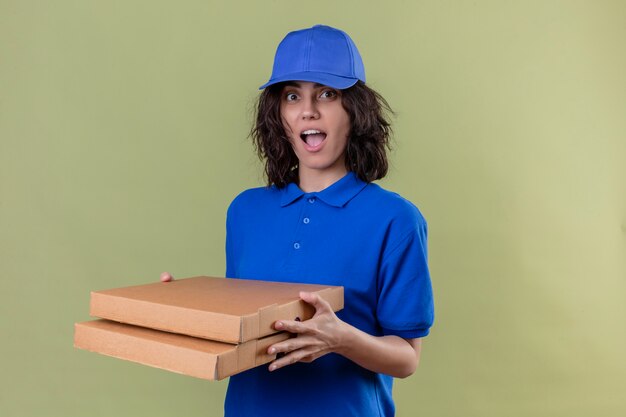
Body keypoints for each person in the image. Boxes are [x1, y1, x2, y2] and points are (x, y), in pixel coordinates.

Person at [163, 24, 434, 417]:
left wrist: (341, 339)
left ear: (354, 111)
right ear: (280, 115)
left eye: (327, 93)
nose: (309, 109)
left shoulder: (396, 219)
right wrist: (174, 315)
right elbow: (244, 331)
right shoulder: (245, 211)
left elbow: (407, 358)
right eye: (293, 95)